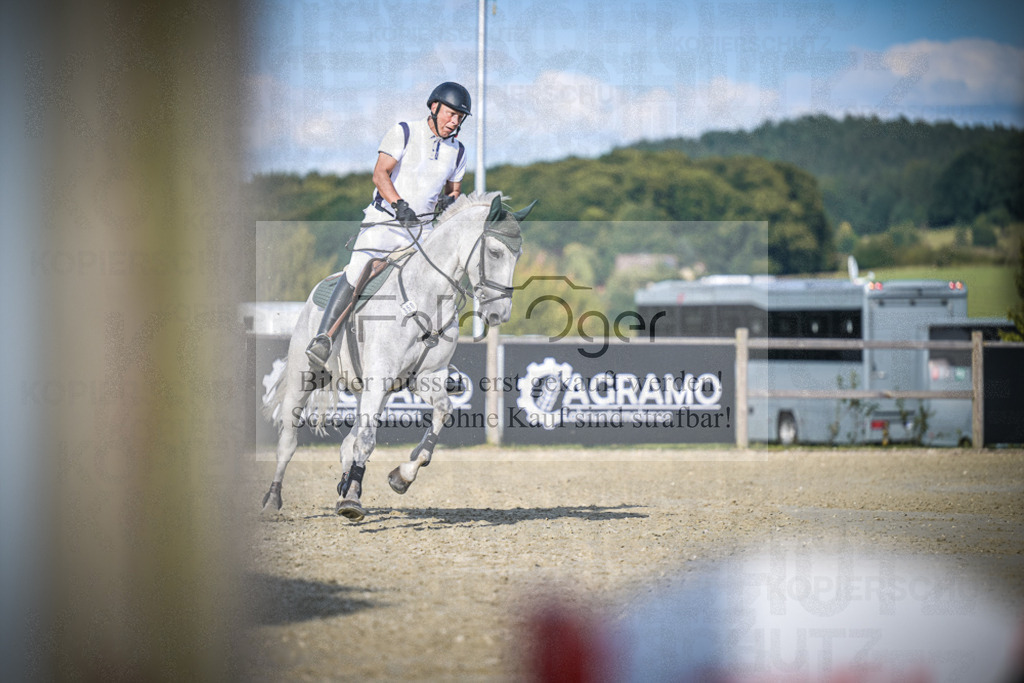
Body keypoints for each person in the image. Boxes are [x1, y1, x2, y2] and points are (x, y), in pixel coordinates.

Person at [306, 81, 471, 369]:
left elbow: (453, 190)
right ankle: (325, 337)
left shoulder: (457, 151)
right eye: (450, 113)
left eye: (460, 117)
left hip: (422, 230)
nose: (454, 121)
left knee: (443, 277)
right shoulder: (404, 132)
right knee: (357, 269)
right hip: (385, 222)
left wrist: (449, 201)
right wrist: (398, 204)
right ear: (434, 107)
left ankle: (440, 359)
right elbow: (380, 174)